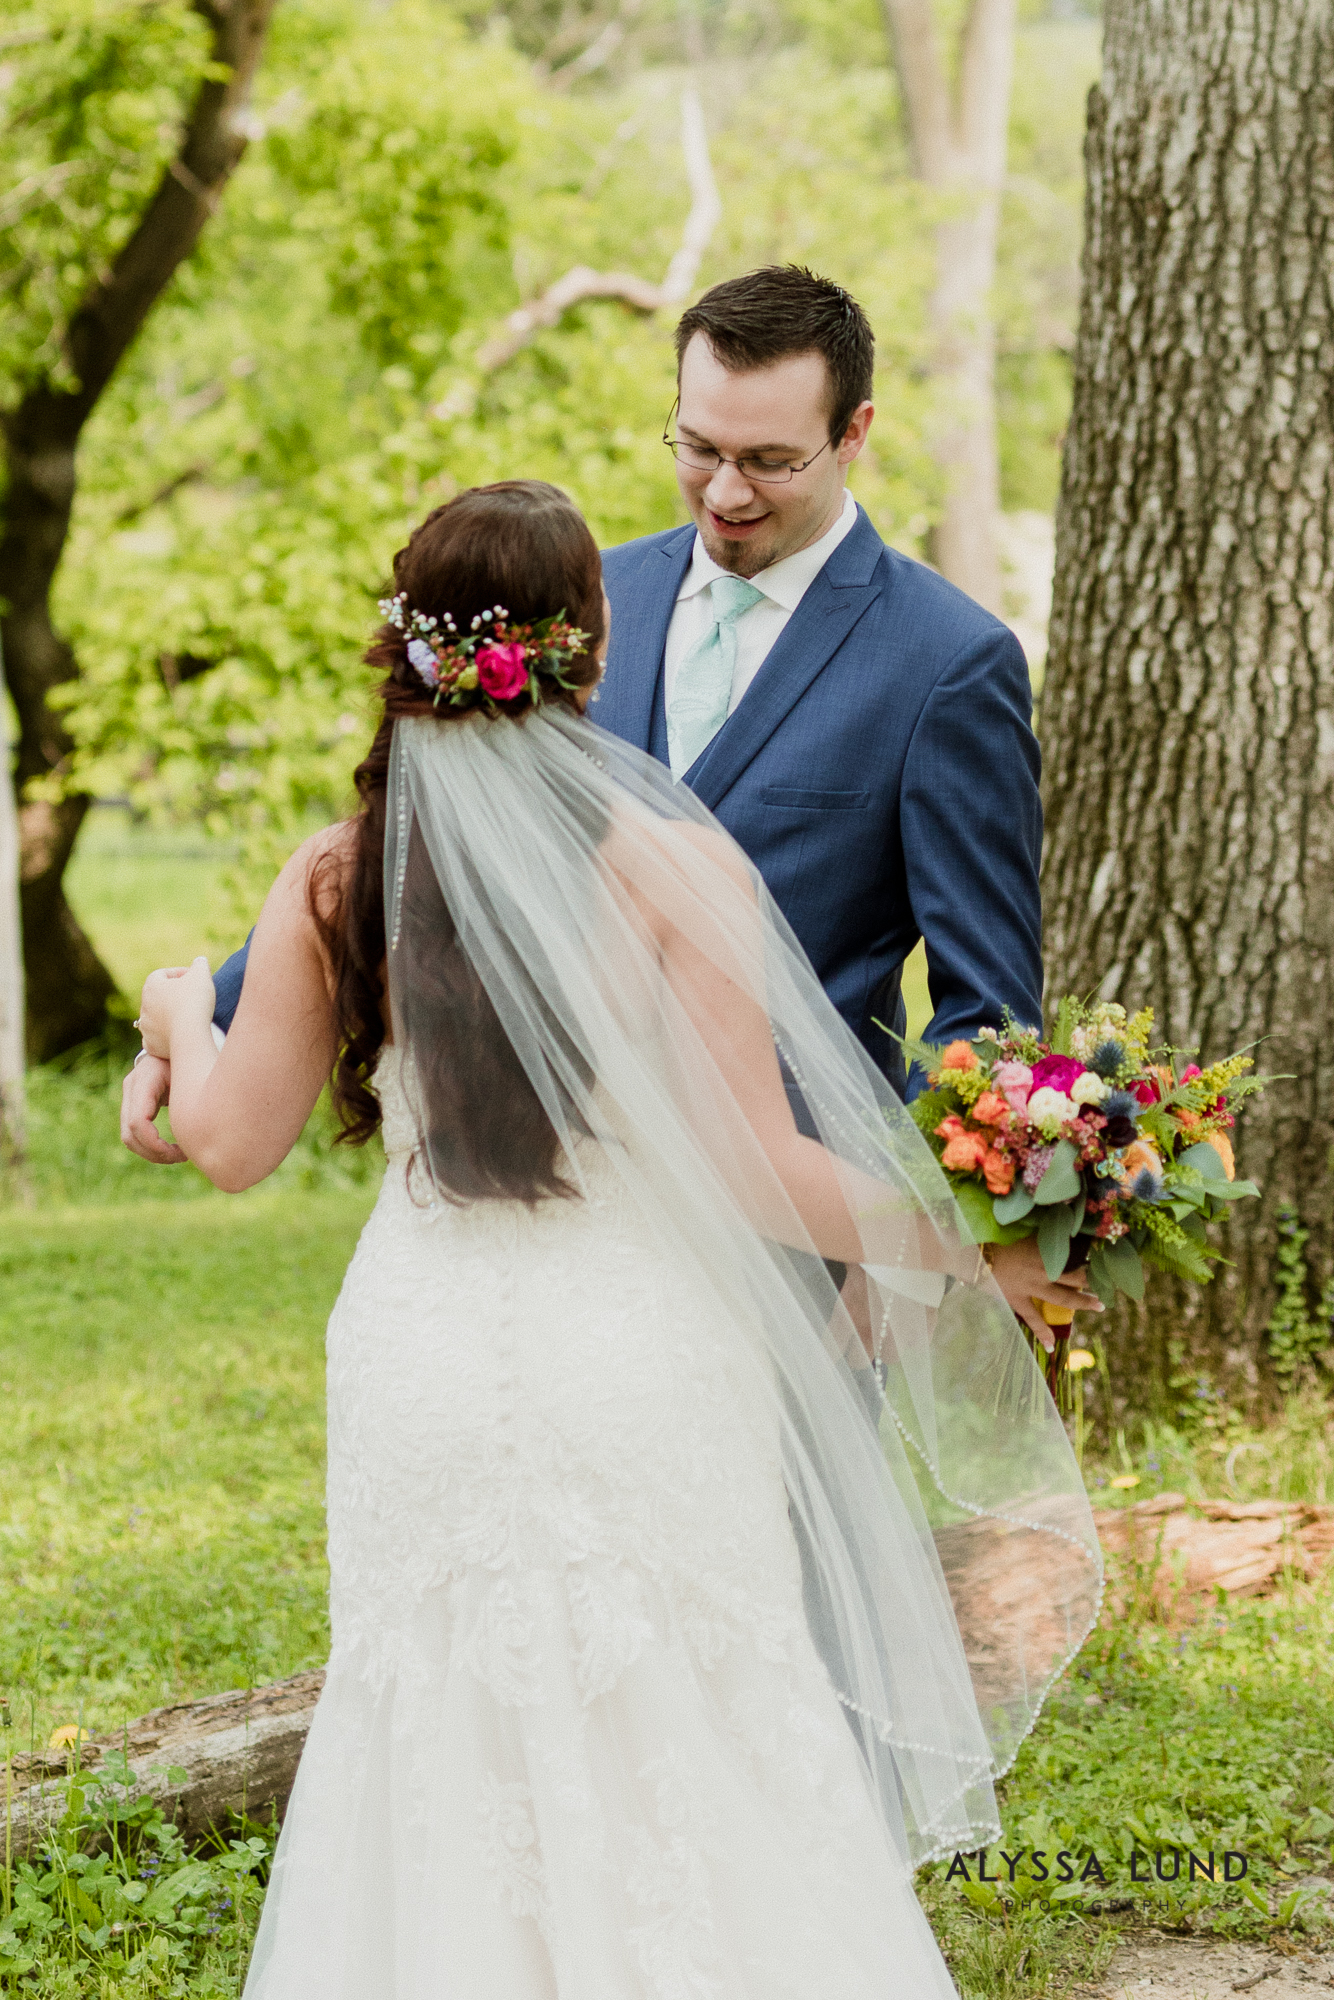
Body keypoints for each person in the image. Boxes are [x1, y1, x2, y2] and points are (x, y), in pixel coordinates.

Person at [136, 482, 1100, 1999]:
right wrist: (966, 1237)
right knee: (692, 1704)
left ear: (405, 647)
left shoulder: (339, 874)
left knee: (434, 1721)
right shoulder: (669, 864)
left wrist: (182, 1017)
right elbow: (764, 1177)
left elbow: (226, 1143)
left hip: (424, 1358)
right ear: (586, 647)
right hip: (637, 1352)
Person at [121, 265, 1097, 1347]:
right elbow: (423, 847)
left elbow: (984, 1009)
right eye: (698, 447)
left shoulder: (946, 661)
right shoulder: (575, 602)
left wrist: (920, 1252)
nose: (725, 491)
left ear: (852, 429)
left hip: (807, 1241)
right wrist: (203, 1014)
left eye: (769, 460)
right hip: (540, 1187)